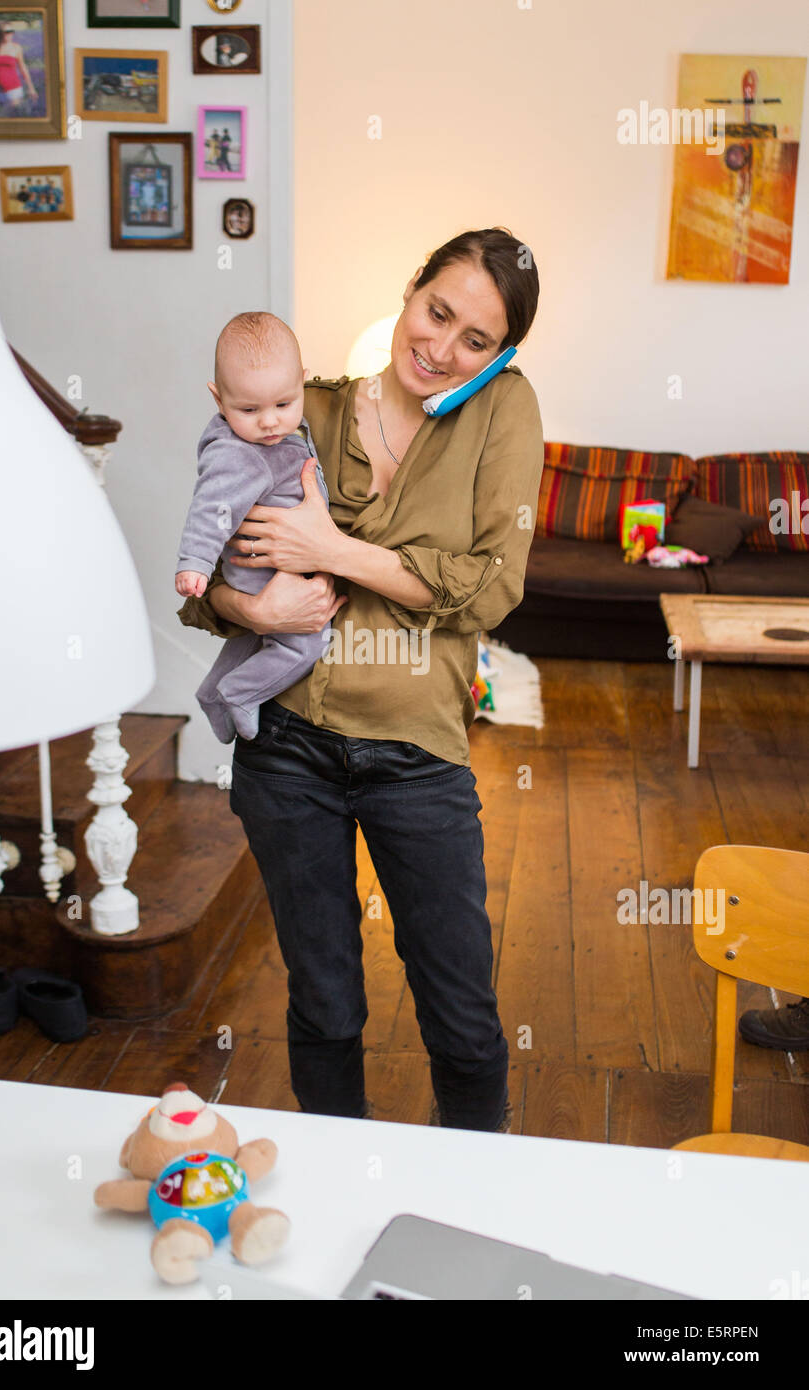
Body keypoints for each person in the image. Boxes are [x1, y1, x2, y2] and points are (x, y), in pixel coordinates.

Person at [178, 227, 544, 1133]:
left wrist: (336, 550)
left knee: (459, 1006)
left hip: (416, 755)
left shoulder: (505, 414)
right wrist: (253, 610)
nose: (441, 347)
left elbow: (493, 590)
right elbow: (204, 568)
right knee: (323, 998)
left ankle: (471, 1195)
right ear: (411, 288)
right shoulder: (310, 407)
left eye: (476, 341)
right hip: (288, 752)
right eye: (437, 311)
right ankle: (337, 1185)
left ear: (501, 358)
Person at [176, 312, 332, 742]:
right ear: (218, 399)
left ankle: (213, 692)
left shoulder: (279, 435)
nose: (269, 422)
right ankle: (242, 694)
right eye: (249, 409)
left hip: (263, 575)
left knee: (251, 640)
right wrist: (195, 563)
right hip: (266, 572)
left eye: (284, 404)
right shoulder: (238, 454)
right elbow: (211, 508)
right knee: (305, 645)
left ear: (301, 382)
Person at [0, 22, 37, 111]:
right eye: (6, 31)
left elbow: (23, 68)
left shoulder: (16, 48)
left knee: (14, 116)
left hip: (13, 91)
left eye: (11, 31)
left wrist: (31, 88)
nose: (9, 34)